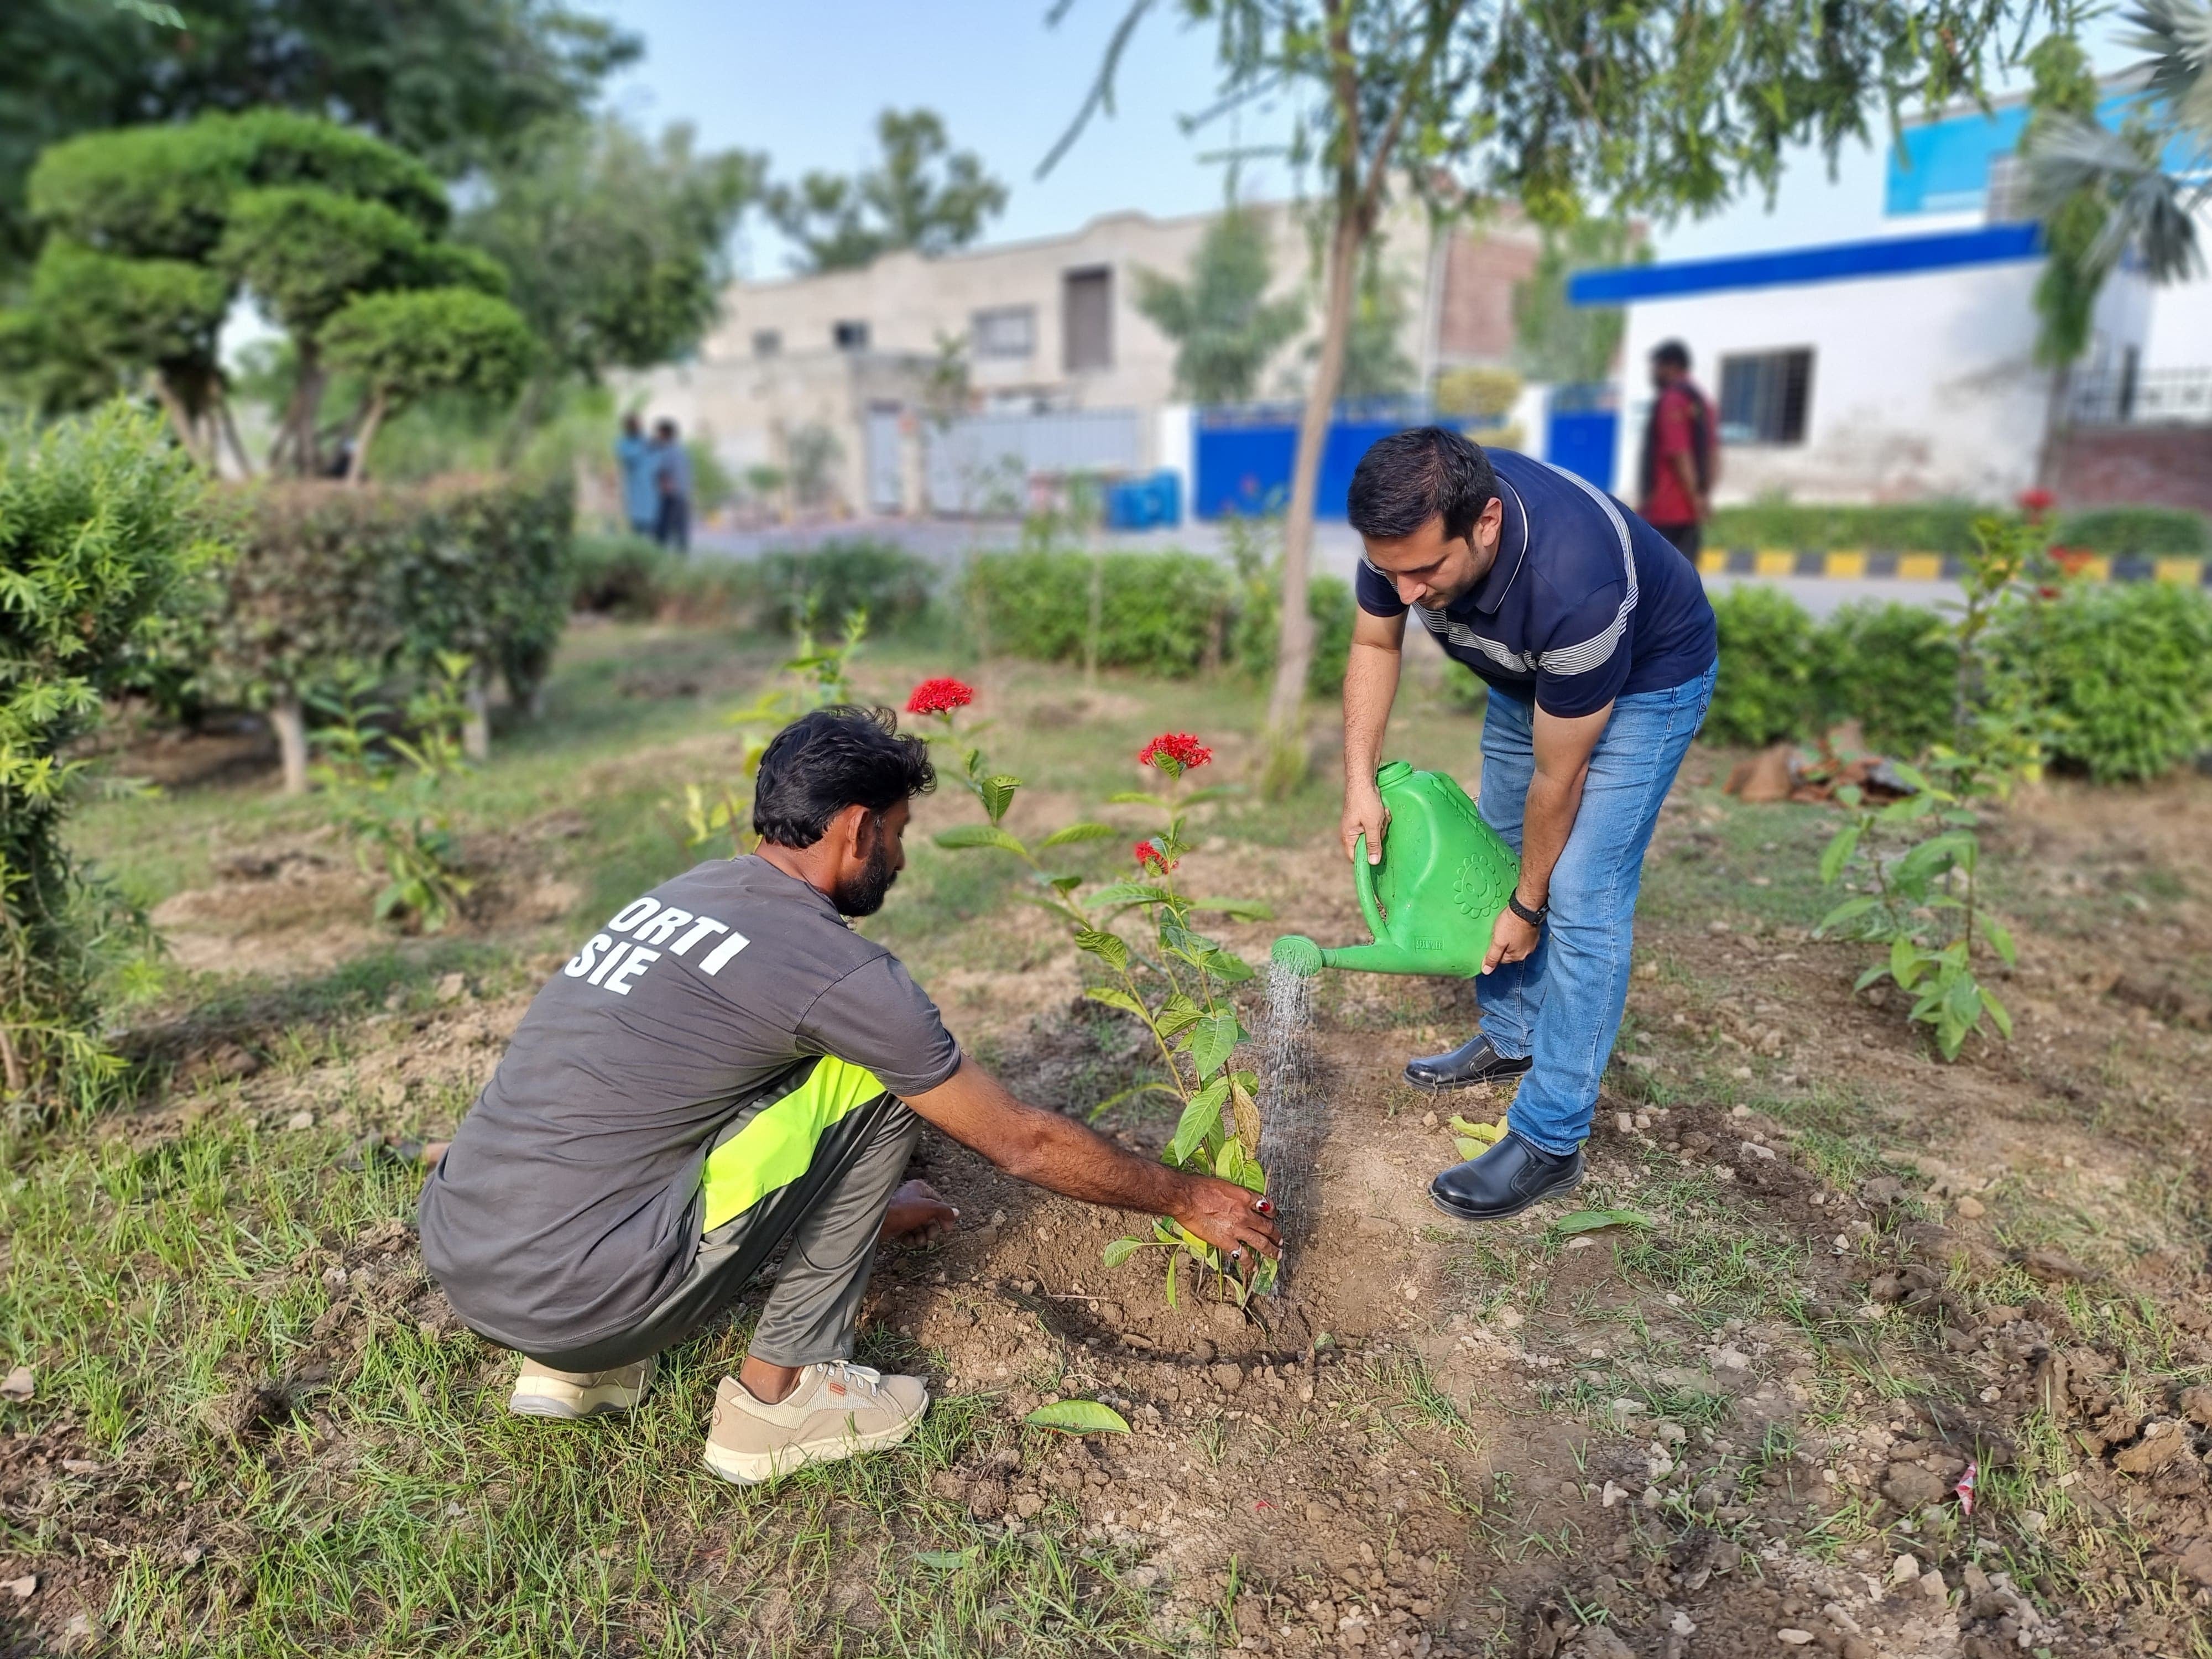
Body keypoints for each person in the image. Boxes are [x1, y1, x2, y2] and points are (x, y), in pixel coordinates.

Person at [418, 707, 1279, 1485]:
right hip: (586, 1293)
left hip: (470, 1257)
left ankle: (575, 1371)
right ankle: (782, 1395)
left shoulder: (677, 898)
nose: (899, 858)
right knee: (879, 1074)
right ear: (860, 828)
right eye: (899, 835)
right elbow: (1020, 1142)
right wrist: (1187, 1196)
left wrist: (840, 1206)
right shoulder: (841, 971)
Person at [1339, 427, 1717, 1223]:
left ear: (1486, 525)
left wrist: (1529, 903)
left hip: (1648, 681)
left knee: (1581, 892)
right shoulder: (1407, 534)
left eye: (1423, 572)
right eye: (1387, 571)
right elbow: (1376, 639)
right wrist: (1358, 784)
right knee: (1494, 853)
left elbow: (1561, 776)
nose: (1405, 592)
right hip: (1524, 684)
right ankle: (1513, 1032)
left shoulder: (1571, 579)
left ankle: (1550, 1138)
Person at [1637, 341, 1715, 558]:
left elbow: (1679, 453)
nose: (1653, 373)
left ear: (1671, 367)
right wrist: (1704, 495)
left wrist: (1695, 498)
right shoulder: (1702, 401)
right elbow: (1713, 454)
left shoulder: (1672, 400)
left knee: (1661, 581)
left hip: (1667, 510)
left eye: (1657, 366)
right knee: (1686, 578)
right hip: (1689, 513)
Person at [650, 417, 692, 553]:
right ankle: (680, 565)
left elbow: (663, 473)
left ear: (664, 434)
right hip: (683, 495)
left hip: (670, 496)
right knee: (681, 534)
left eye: (659, 433)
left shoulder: (666, 452)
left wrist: (663, 487)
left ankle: (660, 563)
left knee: (661, 534)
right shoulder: (681, 451)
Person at [615, 413, 658, 538]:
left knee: (653, 530)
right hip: (635, 489)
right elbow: (627, 457)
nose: (638, 427)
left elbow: (657, 460)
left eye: (639, 424)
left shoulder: (647, 441)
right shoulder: (623, 443)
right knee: (637, 528)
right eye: (635, 424)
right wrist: (643, 447)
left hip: (652, 490)